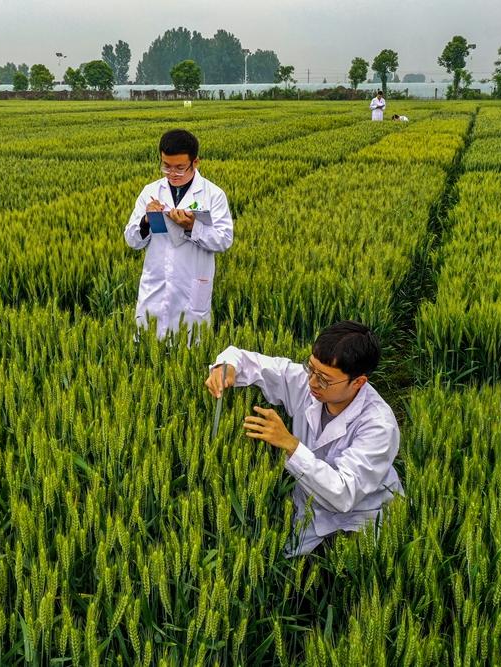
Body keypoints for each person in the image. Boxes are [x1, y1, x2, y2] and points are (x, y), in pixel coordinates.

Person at [205, 321, 402, 555]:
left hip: (361, 516)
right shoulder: (306, 384)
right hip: (306, 505)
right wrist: (224, 368)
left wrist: (290, 445)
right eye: (311, 369)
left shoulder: (379, 426)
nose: (312, 382)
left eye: (325, 379)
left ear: (358, 382)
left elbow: (343, 494)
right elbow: (245, 359)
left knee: (349, 577)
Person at [124, 129, 234, 339]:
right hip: (155, 286)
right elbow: (131, 239)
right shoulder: (150, 191)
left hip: (191, 287)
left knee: (190, 348)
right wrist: (146, 220)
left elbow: (224, 241)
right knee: (148, 348)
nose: (172, 173)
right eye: (166, 166)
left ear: (196, 162)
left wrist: (192, 227)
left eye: (180, 168)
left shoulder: (213, 195)